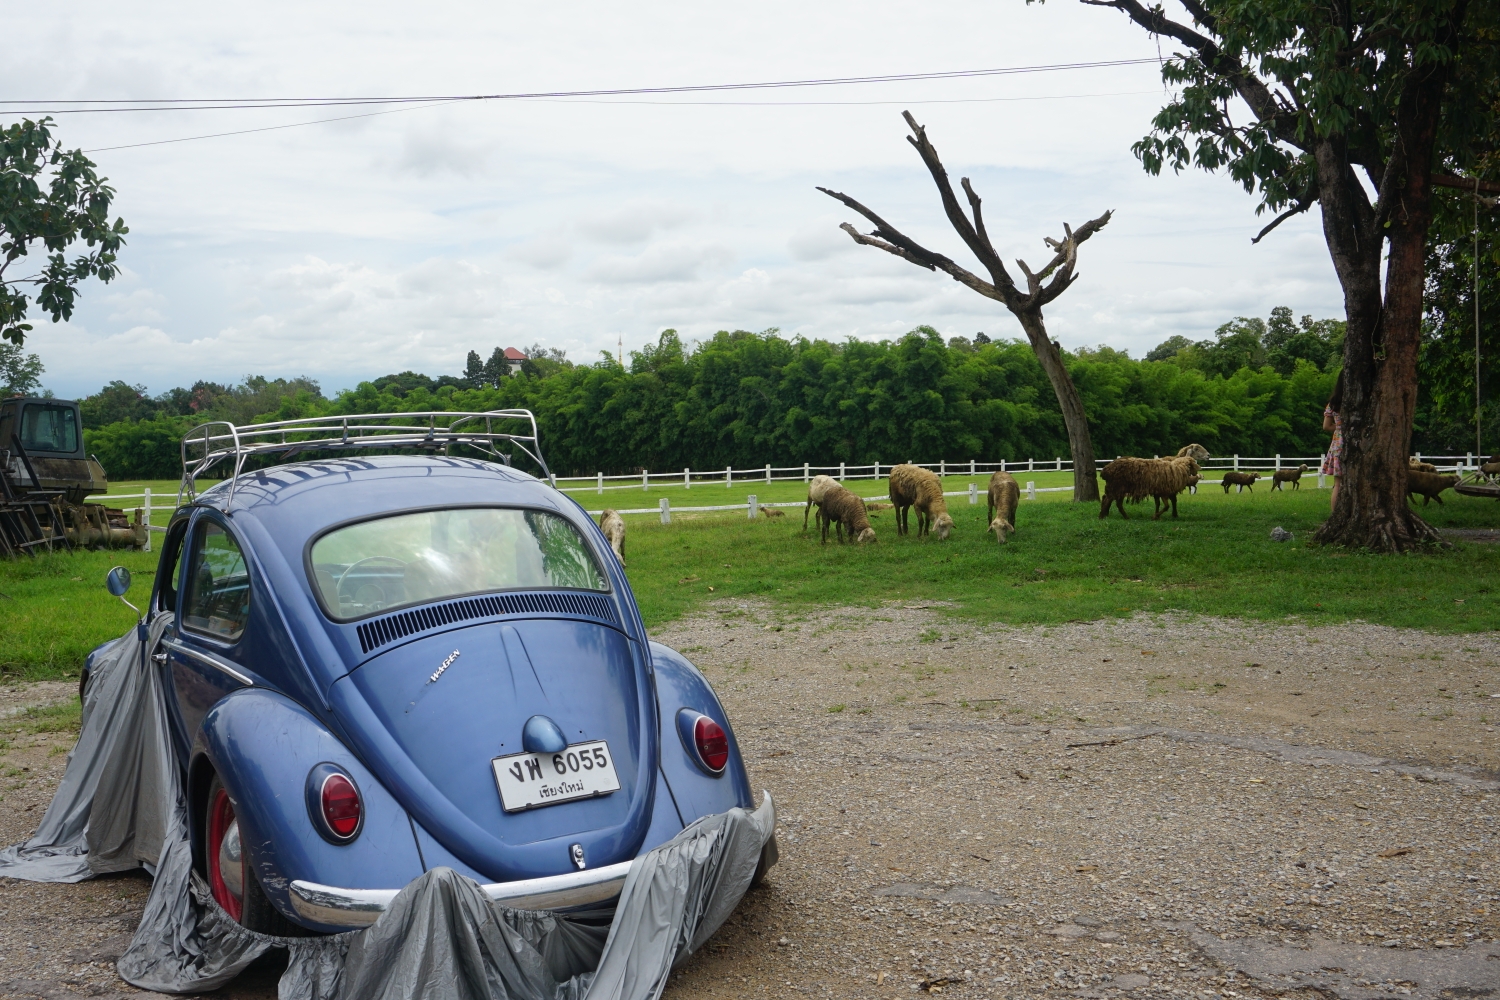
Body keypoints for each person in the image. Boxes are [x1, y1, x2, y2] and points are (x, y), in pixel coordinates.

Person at [1321, 371, 1344, 510]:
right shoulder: (1361, 399)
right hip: (1358, 442)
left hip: (1338, 442)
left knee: (1338, 484)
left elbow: (1326, 426)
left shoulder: (1334, 402)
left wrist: (1340, 426)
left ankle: (1335, 515)